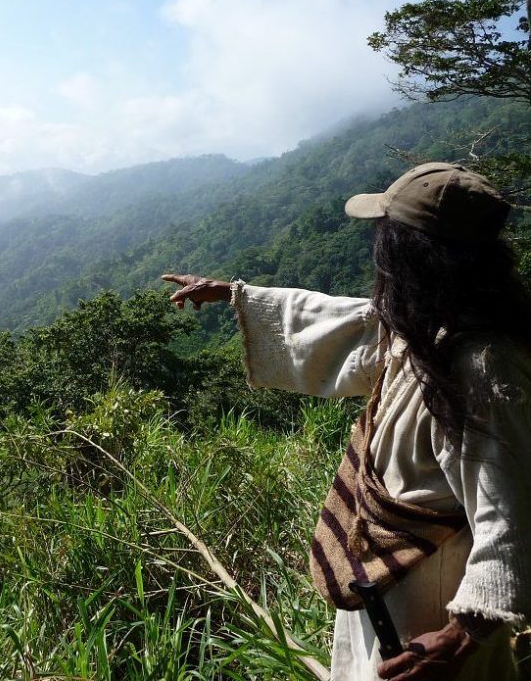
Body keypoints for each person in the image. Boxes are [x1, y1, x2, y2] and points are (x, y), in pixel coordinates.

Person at [163, 162, 531, 680]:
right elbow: (348, 321)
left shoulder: (484, 368)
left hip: (437, 607)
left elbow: (513, 516)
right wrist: (231, 294)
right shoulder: (429, 326)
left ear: (415, 255)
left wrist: (457, 638)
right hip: (388, 581)